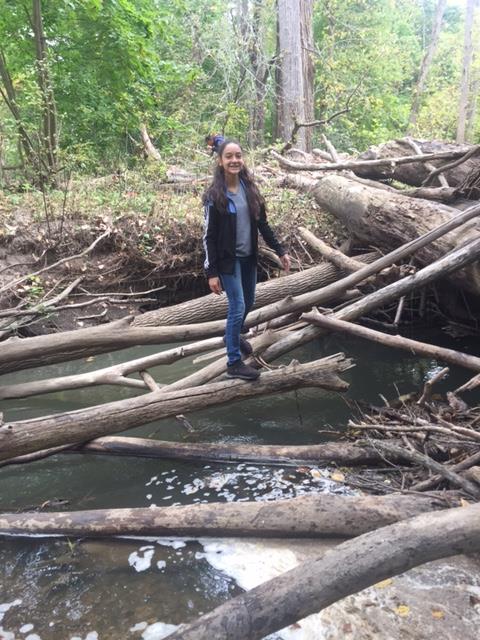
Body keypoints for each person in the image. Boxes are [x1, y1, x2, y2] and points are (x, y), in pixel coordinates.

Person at [203, 139, 290, 381]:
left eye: (238, 156)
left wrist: (280, 250)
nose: (234, 160)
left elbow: (263, 225)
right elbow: (208, 237)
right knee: (238, 306)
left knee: (249, 300)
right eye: (229, 156)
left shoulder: (250, 190)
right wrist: (211, 272)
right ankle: (233, 362)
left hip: (248, 258)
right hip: (227, 262)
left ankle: (233, 336)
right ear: (220, 161)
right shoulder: (214, 196)